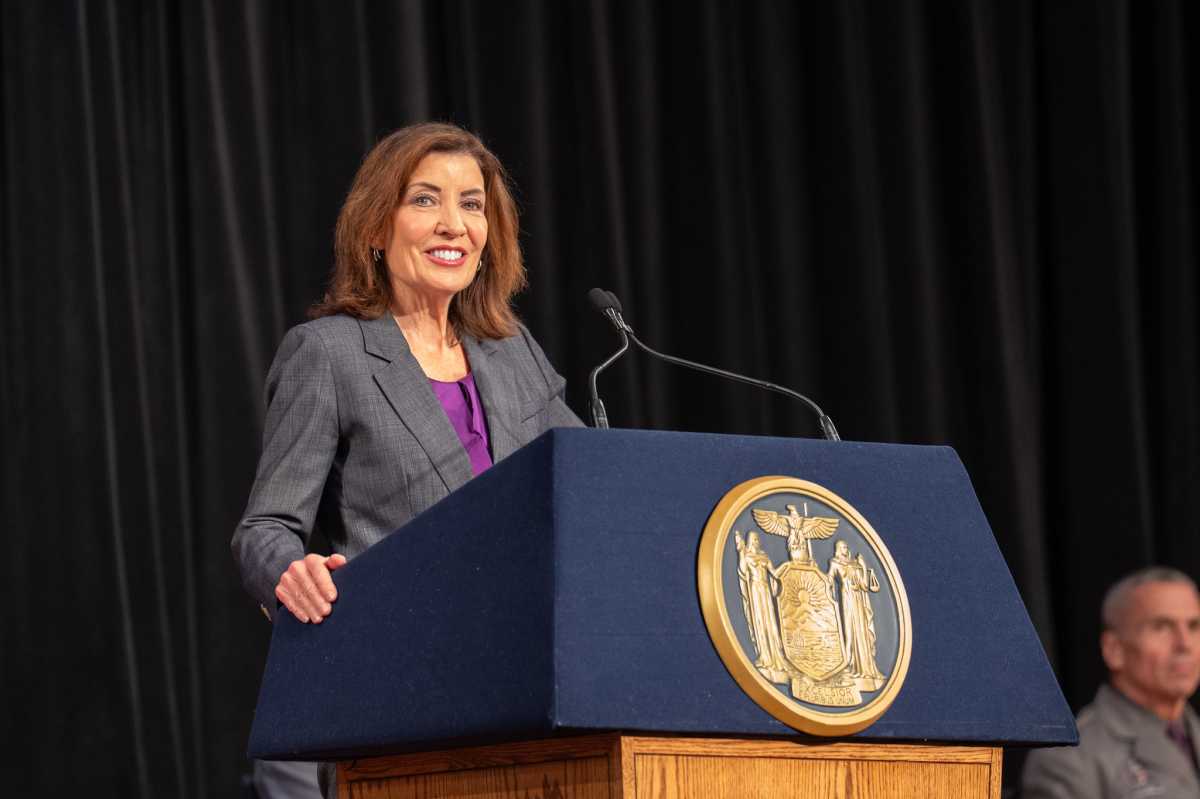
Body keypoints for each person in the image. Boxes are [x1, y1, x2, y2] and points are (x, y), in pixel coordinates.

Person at [232, 122, 583, 798]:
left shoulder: (514, 353)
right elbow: (264, 530)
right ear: (376, 227)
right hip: (401, 697)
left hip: (527, 694)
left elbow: (589, 485)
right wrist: (292, 571)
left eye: (472, 204)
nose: (454, 224)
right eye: (425, 200)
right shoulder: (329, 354)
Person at [1021, 567, 1200, 798]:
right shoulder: (1069, 759)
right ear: (1114, 649)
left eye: (1194, 626)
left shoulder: (1192, 732)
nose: (1184, 644)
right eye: (1162, 627)